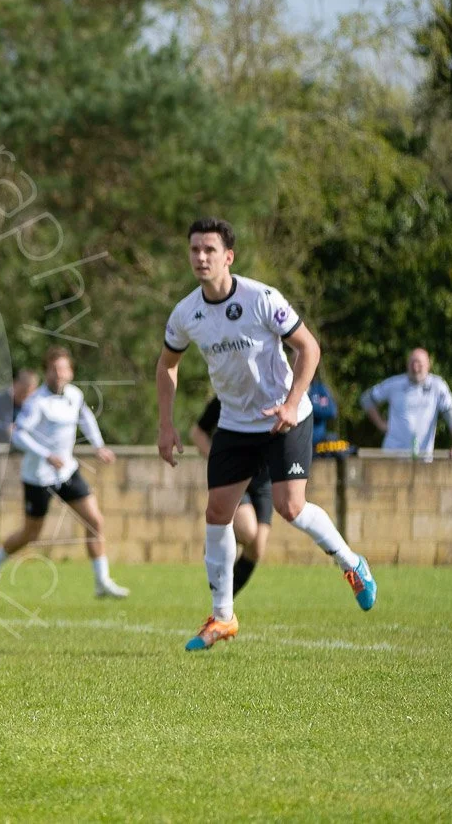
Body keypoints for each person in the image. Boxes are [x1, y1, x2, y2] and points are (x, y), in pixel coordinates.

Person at [157, 218, 376, 652]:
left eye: (209, 250)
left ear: (228, 257)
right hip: (237, 424)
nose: (201, 257)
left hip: (284, 417)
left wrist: (293, 403)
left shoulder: (262, 298)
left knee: (290, 507)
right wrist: (166, 424)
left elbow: (308, 348)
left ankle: (352, 564)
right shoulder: (186, 313)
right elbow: (167, 364)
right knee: (217, 512)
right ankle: (223, 617)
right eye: (195, 250)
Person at [0, 347, 129, 600]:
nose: (59, 374)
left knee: (95, 521)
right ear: (47, 372)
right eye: (54, 369)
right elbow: (18, 435)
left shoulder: (75, 395)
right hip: (38, 476)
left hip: (67, 473)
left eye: (63, 369)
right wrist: (45, 454)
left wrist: (99, 445)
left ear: (70, 372)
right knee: (31, 533)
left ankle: (102, 581)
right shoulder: (37, 402)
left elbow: (86, 418)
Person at [189, 398, 269, 595]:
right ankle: (216, 541)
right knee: (248, 530)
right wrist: (218, 459)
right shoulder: (230, 394)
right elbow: (197, 433)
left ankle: (225, 598)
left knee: (257, 548)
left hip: (264, 480)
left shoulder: (276, 393)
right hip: (234, 473)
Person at [360, 348, 452, 460]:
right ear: (407, 365)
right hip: (392, 456)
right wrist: (381, 424)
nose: (415, 368)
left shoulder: (438, 386)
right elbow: (366, 399)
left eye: (419, 364)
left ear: (428, 365)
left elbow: (450, 414)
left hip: (422, 458)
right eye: (412, 363)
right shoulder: (395, 384)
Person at [0, 370, 39, 444]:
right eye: (23, 392)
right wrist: (5, 427)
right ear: (15, 384)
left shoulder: (33, 403)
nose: (26, 397)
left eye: (30, 394)